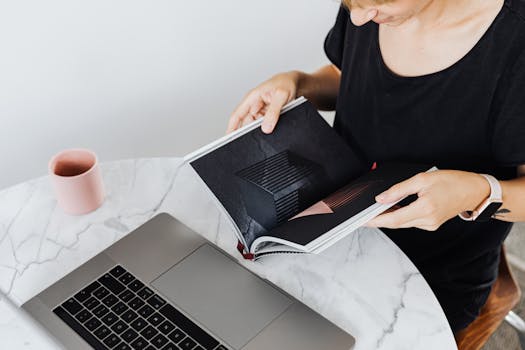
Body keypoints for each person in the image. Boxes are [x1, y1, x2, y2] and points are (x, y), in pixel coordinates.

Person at [226, 0, 525, 335]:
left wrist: (476, 193)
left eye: (379, 2)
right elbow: (348, 75)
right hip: (331, 238)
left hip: (428, 278)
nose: (359, 17)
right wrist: (298, 82)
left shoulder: (515, 47)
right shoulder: (367, 8)